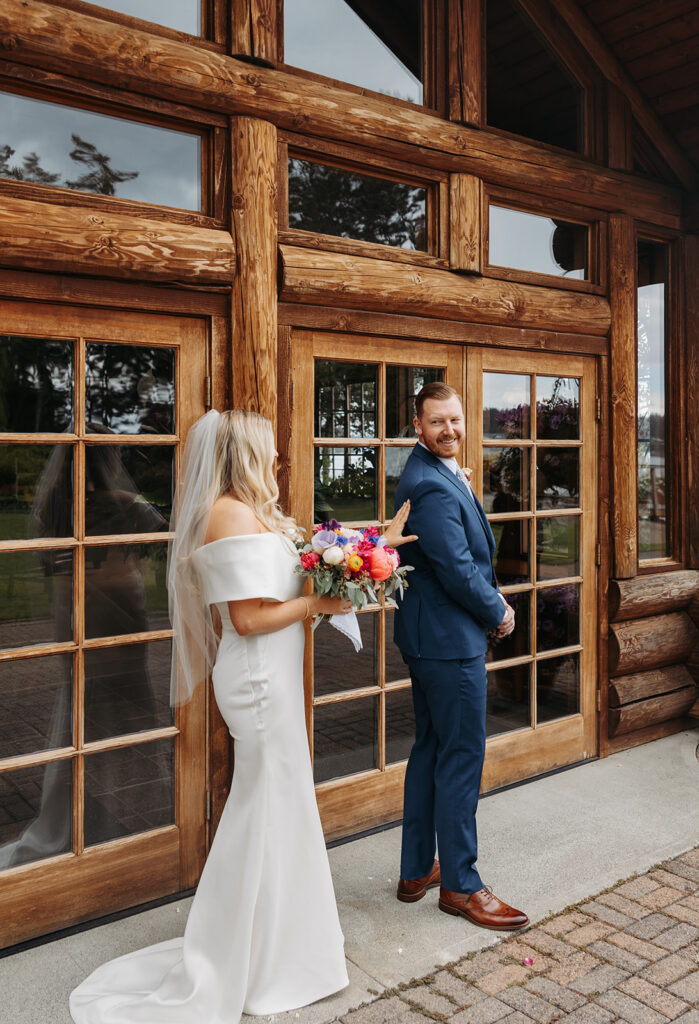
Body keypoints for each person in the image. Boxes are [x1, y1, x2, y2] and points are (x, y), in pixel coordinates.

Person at [70, 408, 413, 1024]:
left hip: (273, 675)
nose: (277, 457)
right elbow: (249, 619)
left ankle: (279, 949)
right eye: (268, 449)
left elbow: (304, 561)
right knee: (267, 804)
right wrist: (315, 601)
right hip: (256, 681)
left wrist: (372, 547)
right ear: (242, 454)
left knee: (279, 806)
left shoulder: (250, 511)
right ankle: (246, 956)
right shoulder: (226, 514)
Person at [392, 382, 529, 931]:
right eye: (437, 422)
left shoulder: (439, 473)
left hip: (431, 639)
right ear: (418, 427)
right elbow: (456, 569)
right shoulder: (429, 484)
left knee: (431, 748)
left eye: (455, 420)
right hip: (448, 644)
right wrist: (497, 610)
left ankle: (415, 870)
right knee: (462, 756)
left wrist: (460, 483)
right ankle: (461, 886)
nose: (449, 430)